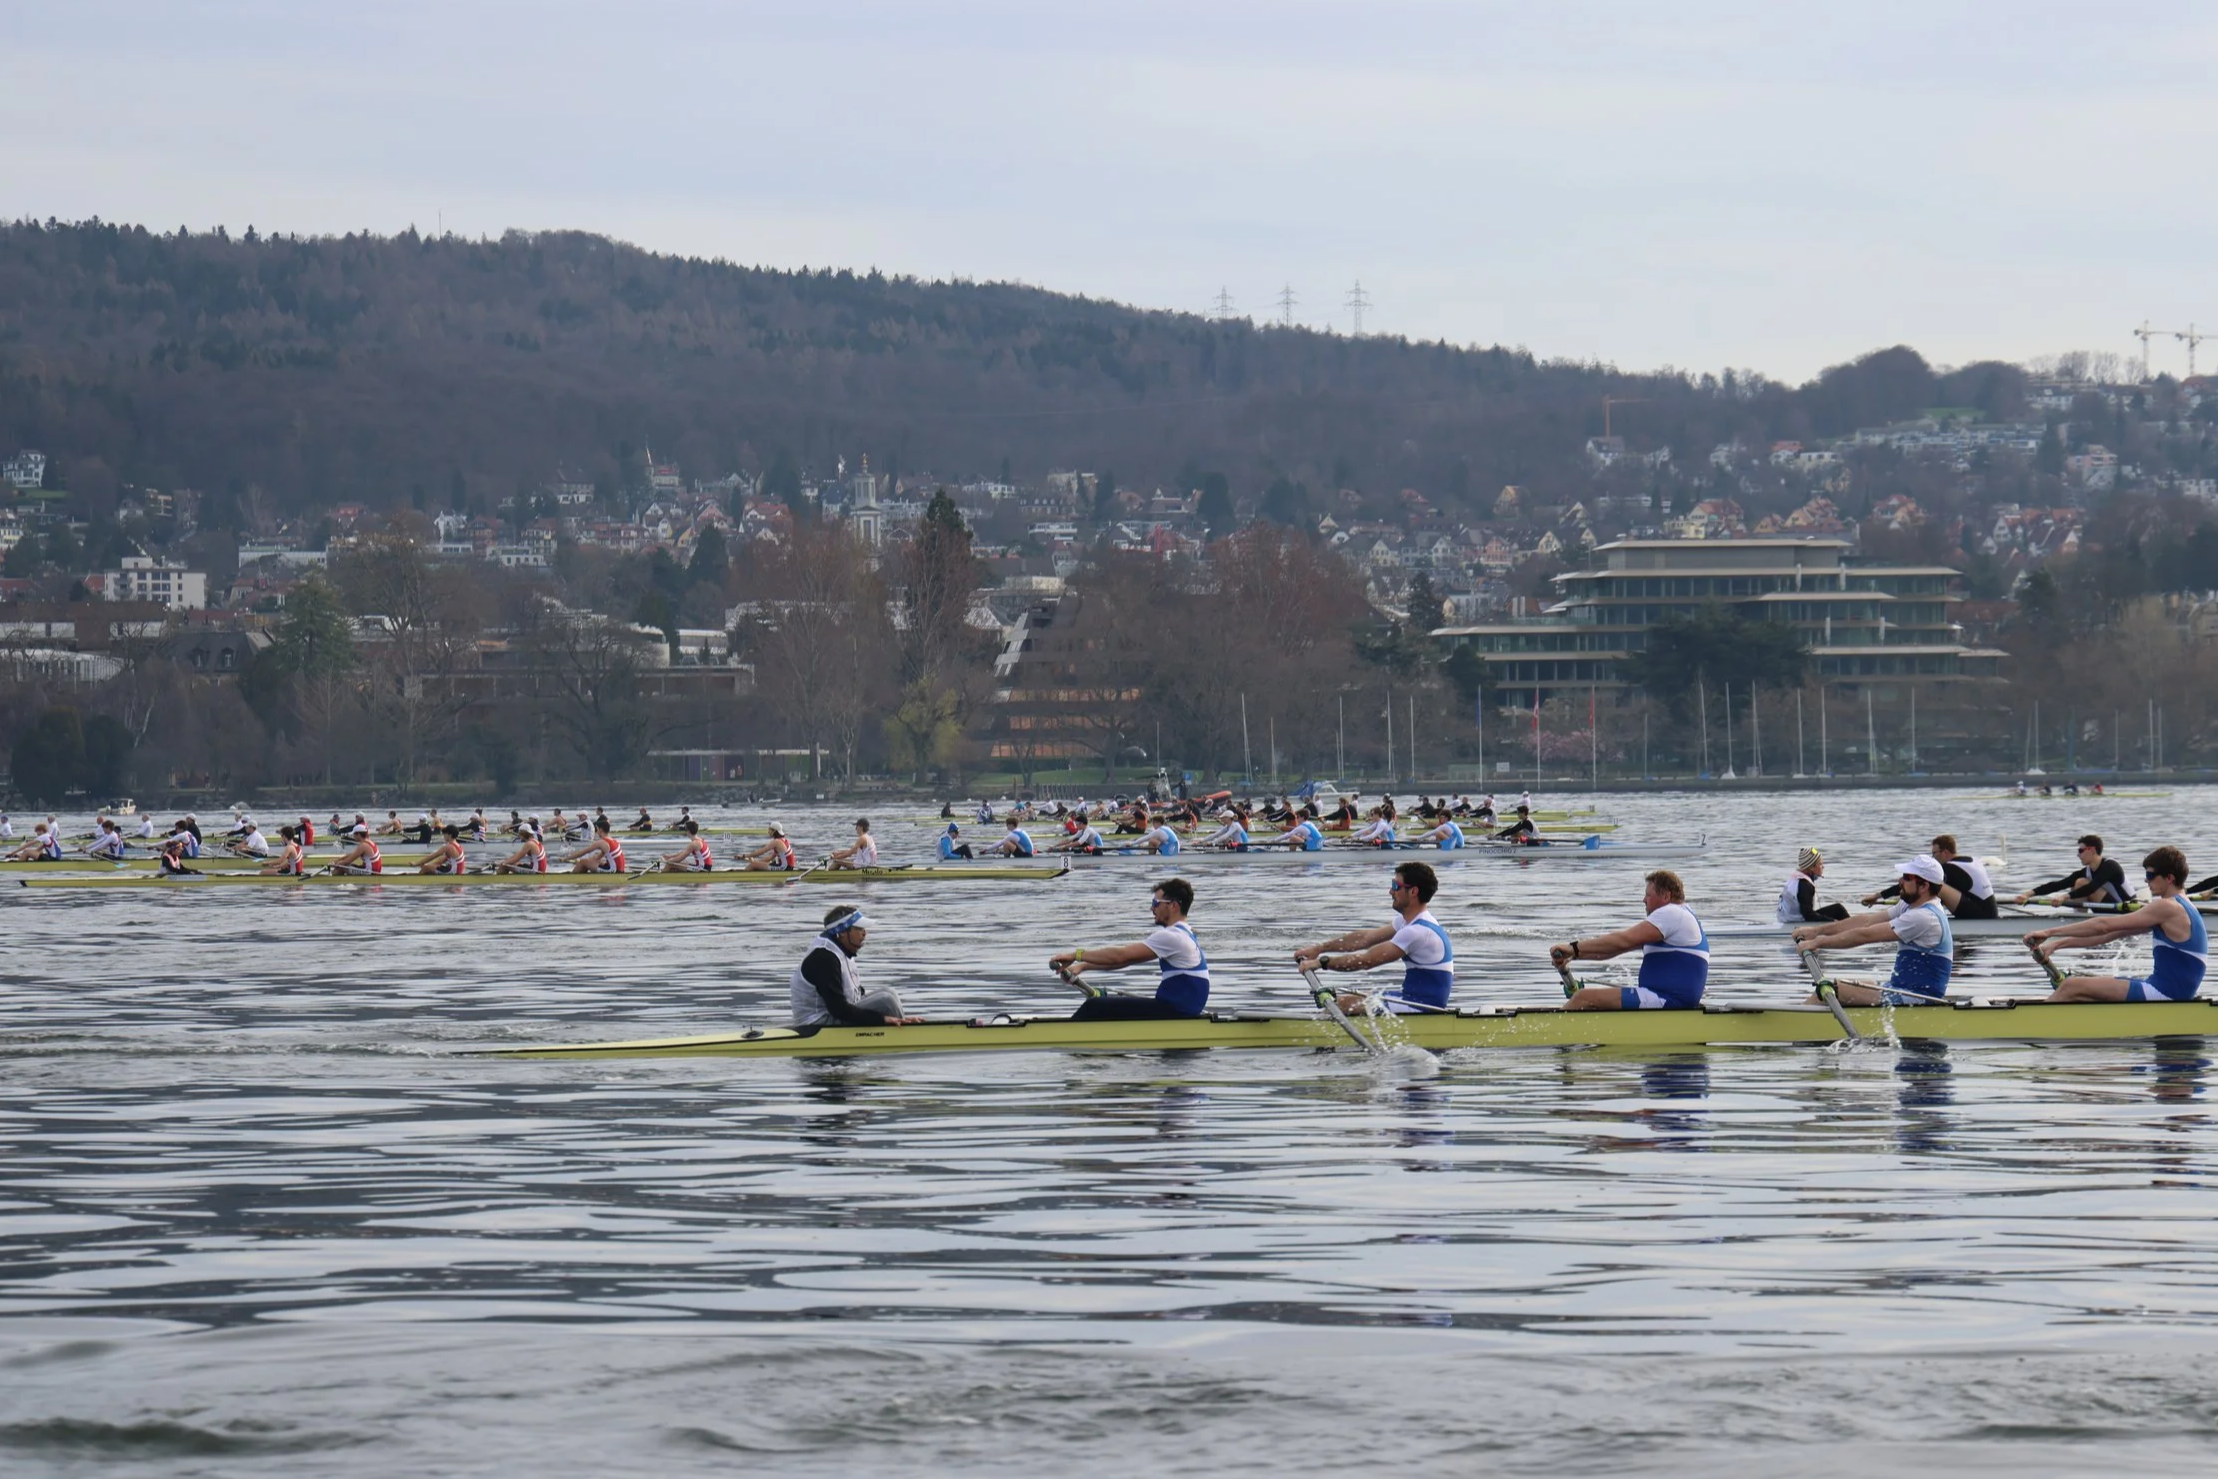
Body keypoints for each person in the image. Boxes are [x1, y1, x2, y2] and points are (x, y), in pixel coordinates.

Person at [2024, 846, 2207, 1003]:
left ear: (2169, 878)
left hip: (2166, 993)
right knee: (2080, 992)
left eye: (2150, 875)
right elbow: (2107, 935)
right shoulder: (2183, 905)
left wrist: (2049, 932)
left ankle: (2027, 1028)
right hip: (2171, 990)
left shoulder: (2167, 907)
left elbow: (2104, 924)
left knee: (2070, 986)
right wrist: (2057, 944)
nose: (2146, 880)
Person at [1293, 860, 1454, 1013]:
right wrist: (1320, 948)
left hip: (1423, 1006)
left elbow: (1366, 961)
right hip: (1412, 998)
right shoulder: (1409, 922)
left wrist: (1321, 963)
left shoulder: (1417, 931)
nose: (1390, 891)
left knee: (1343, 1005)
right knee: (1349, 1001)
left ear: (1413, 892)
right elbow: (1365, 939)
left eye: (1395, 886)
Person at [1795, 856, 1954, 1006]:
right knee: (1832, 989)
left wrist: (1817, 942)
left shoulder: (1924, 917)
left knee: (1829, 990)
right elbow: (1866, 921)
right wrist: (1815, 932)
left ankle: (1789, 1028)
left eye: (1906, 877)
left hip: (1919, 997)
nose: (1900, 881)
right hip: (1898, 988)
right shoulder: (1909, 906)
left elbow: (1865, 935)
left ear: (1924, 886)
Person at [1049, 877, 1213, 1020]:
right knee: (1104, 1005)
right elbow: (1125, 961)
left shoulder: (1172, 936)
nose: (1152, 909)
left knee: (1093, 1006)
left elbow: (1120, 956)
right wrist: (1083, 966)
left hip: (1175, 1011)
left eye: (1156, 903)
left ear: (1173, 906)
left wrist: (1076, 955)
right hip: (1181, 1009)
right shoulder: (1186, 933)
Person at [1550, 871, 1710, 1011]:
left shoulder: (1673, 913)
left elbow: (1623, 940)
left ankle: (1550, 1035)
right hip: (1665, 998)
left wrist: (1573, 947)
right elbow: (1614, 949)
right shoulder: (1680, 917)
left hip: (1667, 999)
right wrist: (1573, 956)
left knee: (1583, 998)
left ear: (1666, 896)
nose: (1643, 900)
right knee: (1589, 999)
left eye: (1648, 895)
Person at [790, 906, 919, 1026]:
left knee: (889, 992)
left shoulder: (841, 950)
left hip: (834, 1013)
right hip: (815, 1022)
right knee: (887, 1001)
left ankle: (902, 1023)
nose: (864, 933)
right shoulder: (825, 958)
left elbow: (855, 996)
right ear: (841, 932)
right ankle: (903, 1033)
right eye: (859, 929)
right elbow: (838, 1009)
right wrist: (881, 1019)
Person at [1861, 833, 1997, 920]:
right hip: (1986, 910)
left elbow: (1911, 882)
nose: (1933, 858)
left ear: (1944, 852)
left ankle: (1916, 918)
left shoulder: (1950, 868)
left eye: (1934, 853)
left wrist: (1878, 896)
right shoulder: (1971, 860)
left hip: (1980, 916)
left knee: (1930, 882)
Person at [2015, 834, 2133, 906]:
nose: (2078, 855)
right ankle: (2078, 919)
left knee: (2081, 883)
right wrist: (2027, 894)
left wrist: (2064, 897)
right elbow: (2059, 884)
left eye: (2080, 851)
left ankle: (2078, 921)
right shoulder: (2087, 871)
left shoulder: (2110, 866)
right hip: (2108, 908)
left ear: (2091, 850)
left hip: (2126, 909)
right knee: (2075, 882)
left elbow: (2091, 888)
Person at [1778, 847, 1851, 924]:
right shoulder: (1805, 885)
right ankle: (1857, 931)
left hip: (1787, 919)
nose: (1823, 867)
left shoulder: (1795, 878)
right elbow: (1808, 916)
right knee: (1838, 910)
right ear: (1811, 867)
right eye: (1820, 864)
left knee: (1837, 908)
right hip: (1796, 922)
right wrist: (1833, 922)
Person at [560, 818, 628, 874]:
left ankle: (572, 877)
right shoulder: (614, 841)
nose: (596, 831)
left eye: (597, 829)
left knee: (582, 862)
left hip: (613, 871)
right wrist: (583, 861)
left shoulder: (601, 842)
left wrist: (566, 859)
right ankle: (580, 874)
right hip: (619, 870)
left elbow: (582, 852)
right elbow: (596, 858)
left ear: (600, 830)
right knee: (591, 861)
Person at [1259, 810, 1324, 852]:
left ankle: (1291, 855)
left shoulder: (1302, 827)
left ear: (1303, 817)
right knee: (1297, 836)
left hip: (1313, 848)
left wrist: (1274, 841)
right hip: (1319, 845)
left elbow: (1288, 835)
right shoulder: (1310, 823)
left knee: (1292, 837)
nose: (1296, 818)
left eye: (1298, 816)